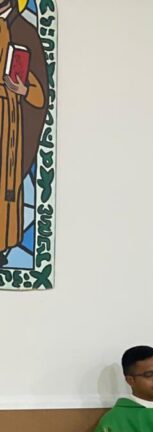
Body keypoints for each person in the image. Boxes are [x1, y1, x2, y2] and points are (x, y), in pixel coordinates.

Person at [0, 0, 47, 267]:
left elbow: (39, 94)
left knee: (5, 184)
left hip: (7, 123)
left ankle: (1, 243)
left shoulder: (24, 32)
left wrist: (23, 90)